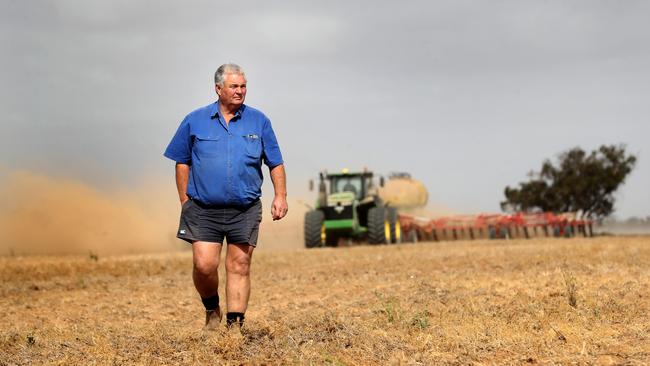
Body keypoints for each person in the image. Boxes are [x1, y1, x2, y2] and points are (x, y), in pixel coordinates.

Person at [164, 63, 288, 330]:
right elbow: (181, 161)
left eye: (243, 86)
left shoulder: (259, 121)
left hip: (244, 208)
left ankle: (234, 328)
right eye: (234, 86)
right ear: (218, 88)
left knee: (240, 264)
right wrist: (185, 201)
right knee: (205, 264)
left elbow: (275, 162)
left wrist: (281, 195)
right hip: (203, 208)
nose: (240, 91)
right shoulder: (194, 120)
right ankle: (211, 308)